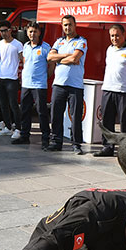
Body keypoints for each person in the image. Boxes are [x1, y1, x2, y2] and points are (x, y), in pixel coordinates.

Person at [94, 24, 126, 157]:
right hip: (108, 90)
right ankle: (108, 147)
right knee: (107, 121)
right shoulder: (109, 49)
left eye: (117, 35)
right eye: (112, 35)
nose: (114, 38)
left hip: (125, 92)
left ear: (124, 35)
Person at [46, 15, 87, 154]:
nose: (67, 28)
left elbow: (75, 58)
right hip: (58, 84)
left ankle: (76, 144)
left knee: (75, 116)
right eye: (65, 25)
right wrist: (66, 56)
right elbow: (49, 57)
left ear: (75, 25)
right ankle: (56, 141)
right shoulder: (59, 41)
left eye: (70, 24)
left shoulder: (81, 41)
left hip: (75, 85)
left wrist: (59, 58)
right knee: (55, 114)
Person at [16, 22, 51, 146]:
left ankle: (45, 137)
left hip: (39, 85)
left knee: (42, 112)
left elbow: (51, 65)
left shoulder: (45, 47)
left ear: (39, 33)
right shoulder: (25, 46)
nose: (32, 34)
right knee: (24, 111)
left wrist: (46, 76)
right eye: (30, 31)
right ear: (27, 33)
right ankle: (24, 136)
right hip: (26, 84)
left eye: (35, 31)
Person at [0, 21, 23, 139]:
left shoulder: (18, 44)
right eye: (1, 31)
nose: (4, 33)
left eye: (6, 30)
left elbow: (22, 59)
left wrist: (22, 75)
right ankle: (8, 127)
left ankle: (18, 128)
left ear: (10, 30)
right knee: (3, 104)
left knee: (13, 104)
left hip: (12, 78)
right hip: (1, 78)